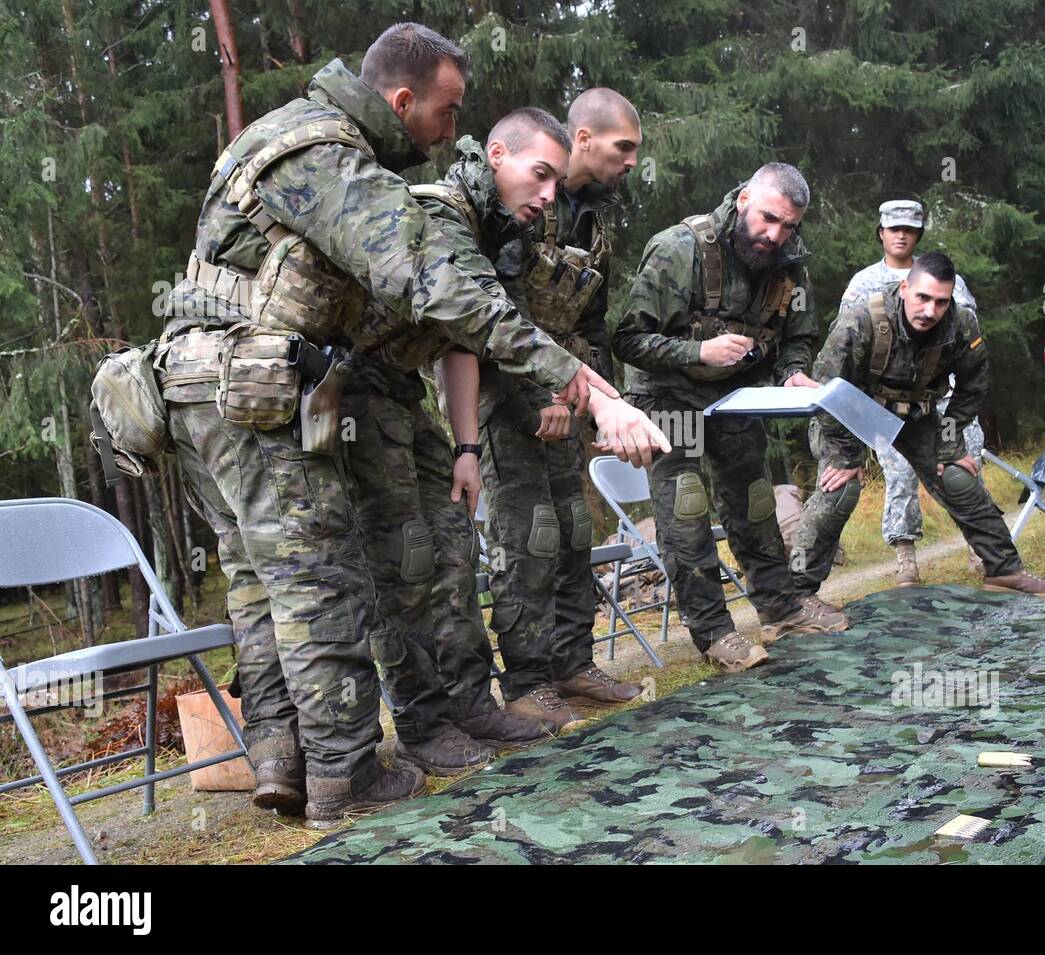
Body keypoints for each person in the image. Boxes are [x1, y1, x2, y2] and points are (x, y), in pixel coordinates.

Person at [159, 25, 662, 828]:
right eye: (448, 109)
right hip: (247, 385)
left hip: (239, 380)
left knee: (269, 581)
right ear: (402, 100)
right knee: (318, 578)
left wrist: (468, 440)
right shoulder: (324, 154)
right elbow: (435, 286)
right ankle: (342, 774)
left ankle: (288, 761)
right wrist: (589, 389)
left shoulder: (323, 146)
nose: (452, 128)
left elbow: (451, 327)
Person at [440, 91, 647, 734]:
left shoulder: (594, 223)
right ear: (583, 138)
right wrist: (540, 398)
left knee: (573, 530)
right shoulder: (514, 210)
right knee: (527, 539)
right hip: (506, 400)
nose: (633, 162)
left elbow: (590, 324)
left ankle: (572, 663)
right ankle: (528, 682)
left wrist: (588, 401)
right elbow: (489, 320)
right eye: (624, 147)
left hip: (568, 395)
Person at [613, 164, 850, 674]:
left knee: (756, 501)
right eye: (768, 219)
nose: (775, 235)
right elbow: (628, 340)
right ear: (743, 199)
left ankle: (781, 609)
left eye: (789, 226)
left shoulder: (788, 263)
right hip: (666, 396)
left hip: (735, 399)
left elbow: (799, 336)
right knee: (686, 510)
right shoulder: (679, 248)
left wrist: (791, 373)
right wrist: (699, 351)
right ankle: (716, 633)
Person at [789, 251, 1045, 600]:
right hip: (850, 411)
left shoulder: (961, 324)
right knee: (840, 489)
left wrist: (951, 442)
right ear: (905, 288)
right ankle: (796, 597)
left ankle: (1005, 570)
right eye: (922, 297)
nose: (930, 311)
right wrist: (846, 458)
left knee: (958, 477)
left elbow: (973, 384)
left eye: (940, 302)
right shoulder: (861, 320)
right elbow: (826, 389)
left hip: (915, 414)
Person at [853, 200, 985, 585]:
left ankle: (980, 549)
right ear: (881, 232)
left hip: (944, 398)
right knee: (899, 476)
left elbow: (967, 334)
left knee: (964, 466)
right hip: (891, 403)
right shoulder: (863, 284)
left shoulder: (951, 281)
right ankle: (905, 559)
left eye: (909, 229)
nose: (900, 235)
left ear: (918, 235)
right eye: (893, 228)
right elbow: (850, 342)